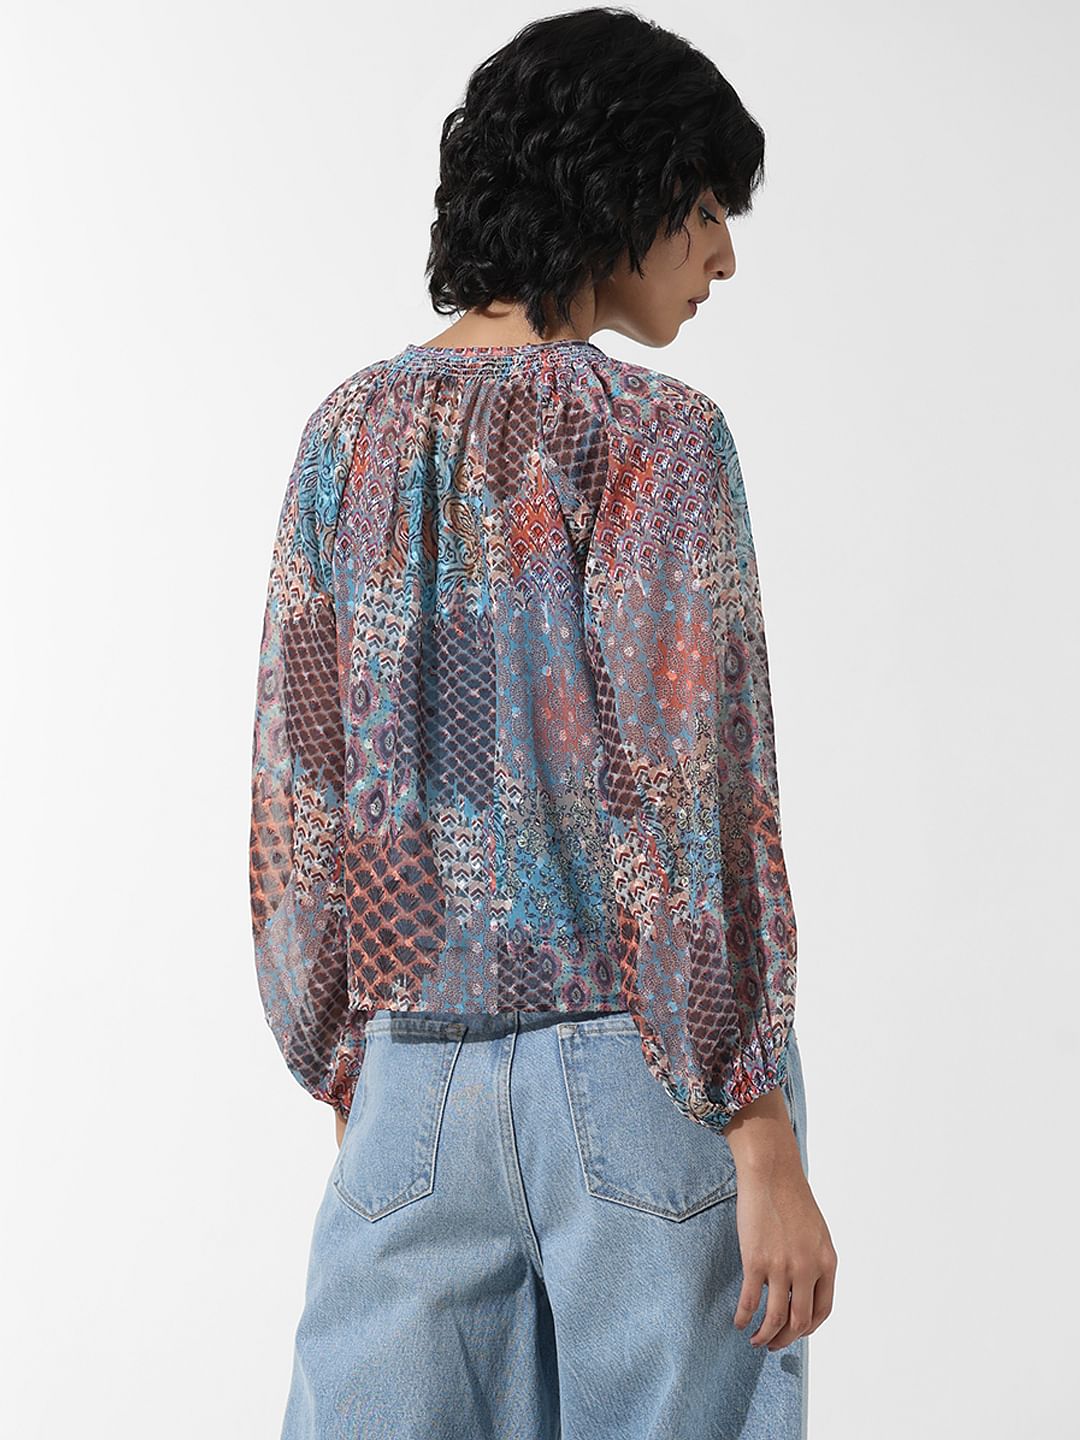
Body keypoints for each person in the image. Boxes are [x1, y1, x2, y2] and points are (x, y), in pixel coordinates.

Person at [248, 8, 837, 1437]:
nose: (724, 257)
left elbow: (298, 784)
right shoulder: (657, 438)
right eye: (706, 209)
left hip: (409, 1082)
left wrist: (344, 1058)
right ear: (621, 191)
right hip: (645, 1076)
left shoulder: (346, 433)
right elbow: (693, 789)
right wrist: (758, 1123)